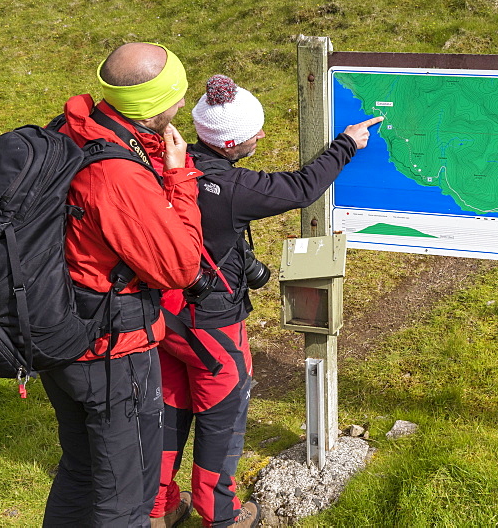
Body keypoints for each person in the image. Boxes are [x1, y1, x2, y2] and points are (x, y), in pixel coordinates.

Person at [150, 74, 381, 528]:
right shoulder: (231, 190)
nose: (262, 135)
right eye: (255, 132)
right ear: (232, 142)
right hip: (212, 322)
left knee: (169, 408)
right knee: (222, 414)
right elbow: (300, 188)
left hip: (162, 313)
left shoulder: (164, 161)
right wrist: (347, 144)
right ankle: (222, 515)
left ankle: (156, 509)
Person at [41, 42, 205, 527]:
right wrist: (178, 178)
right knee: (127, 499)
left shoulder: (77, 129)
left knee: (83, 470)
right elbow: (180, 266)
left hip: (61, 330)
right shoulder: (117, 176)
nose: (182, 107)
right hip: (113, 354)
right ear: (155, 106)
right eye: (176, 97)